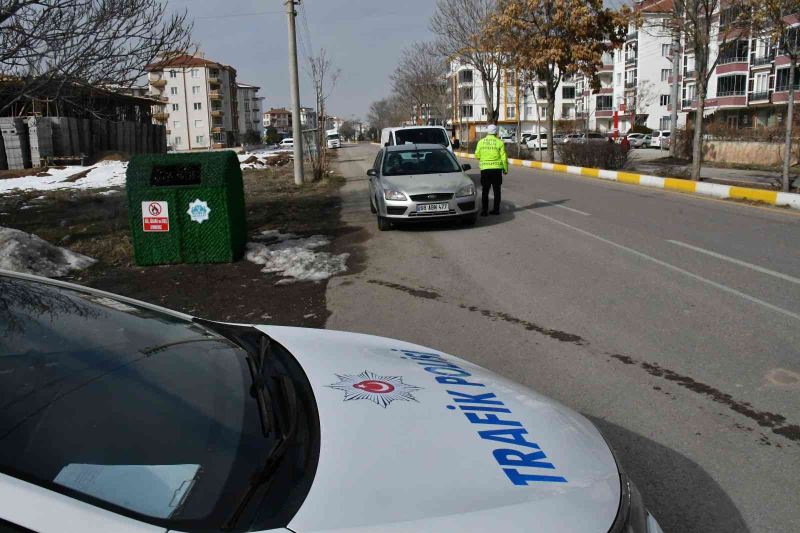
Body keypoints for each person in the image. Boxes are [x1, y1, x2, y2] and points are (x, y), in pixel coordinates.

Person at [474, 124, 508, 216]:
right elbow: (503, 158)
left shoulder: (481, 142)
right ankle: (496, 210)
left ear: (487, 132)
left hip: (485, 169)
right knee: (497, 191)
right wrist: (505, 169)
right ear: (496, 132)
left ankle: (484, 211)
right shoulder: (499, 142)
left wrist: (483, 157)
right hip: (497, 170)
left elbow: (477, 155)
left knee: (485, 190)